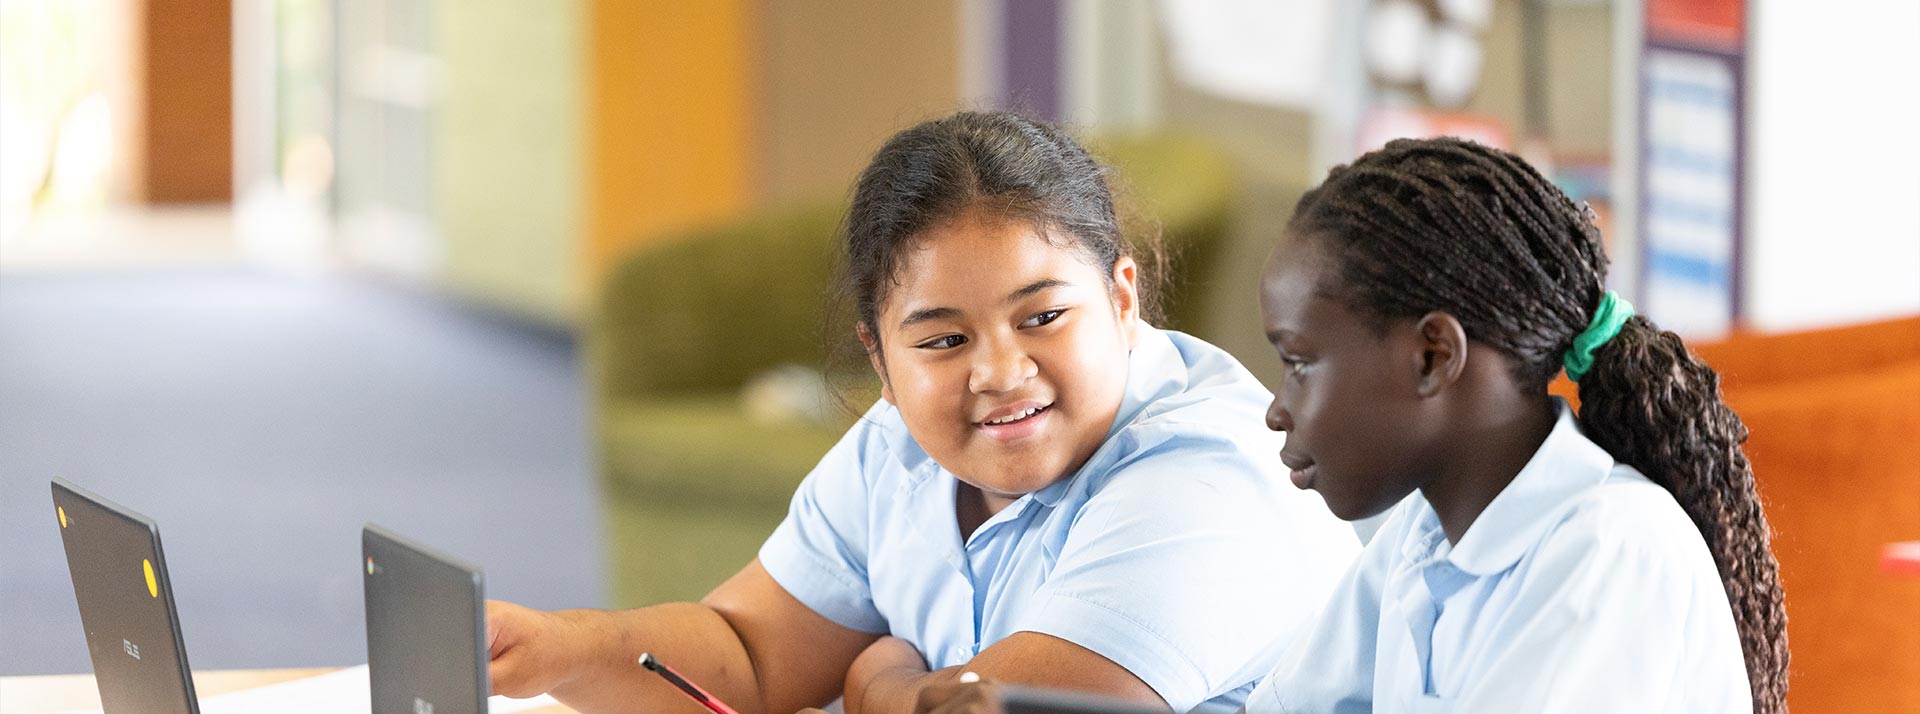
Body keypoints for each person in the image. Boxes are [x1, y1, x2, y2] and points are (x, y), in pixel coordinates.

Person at [485, 111, 1359, 714]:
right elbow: (746, 654)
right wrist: (557, 651)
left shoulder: (1213, 480)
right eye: (942, 341)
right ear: (881, 358)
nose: (1002, 373)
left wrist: (881, 675)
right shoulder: (893, 448)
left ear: (1124, 299)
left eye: (1043, 317)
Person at [1239, 137, 1788, 712]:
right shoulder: (1422, 533)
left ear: (1433, 356)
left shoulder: (1611, 552)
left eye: (1299, 363)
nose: (1277, 410)